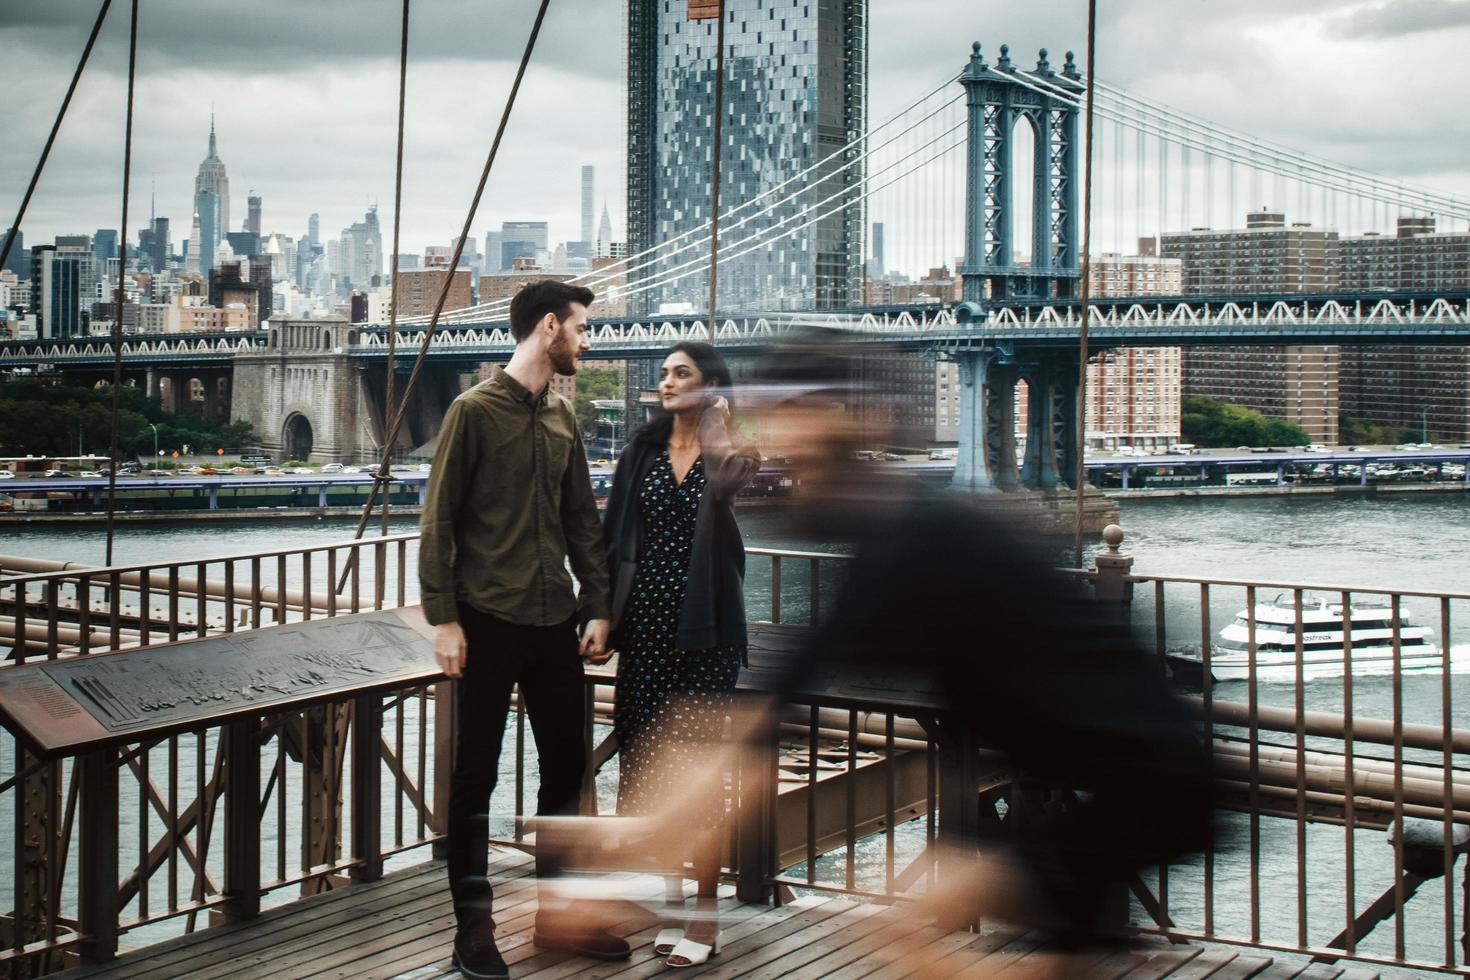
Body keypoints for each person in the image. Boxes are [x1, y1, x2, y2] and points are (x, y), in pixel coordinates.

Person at [747, 337, 1215, 961]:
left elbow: (773, 708)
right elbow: (780, 701)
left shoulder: (914, 539)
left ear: (853, 422)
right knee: (936, 934)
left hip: (1140, 788)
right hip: (1121, 780)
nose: (774, 448)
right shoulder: (895, 532)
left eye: (792, 417)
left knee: (923, 931)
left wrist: (631, 849)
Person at [418, 280, 629, 979]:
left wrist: (597, 604)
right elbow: (437, 522)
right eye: (582, 327)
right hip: (484, 619)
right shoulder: (471, 413)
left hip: (553, 621)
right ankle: (471, 933)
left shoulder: (563, 419)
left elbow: (581, 524)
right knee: (474, 776)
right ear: (548, 327)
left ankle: (558, 919)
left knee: (565, 773)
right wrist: (444, 619)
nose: (588, 339)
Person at [601, 342, 761, 968]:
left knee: (698, 782)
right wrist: (599, 616)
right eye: (663, 373)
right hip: (643, 633)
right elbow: (611, 533)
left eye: (681, 374)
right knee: (649, 776)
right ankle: (671, 907)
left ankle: (706, 916)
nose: (665, 382)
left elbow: (726, 483)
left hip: (706, 634)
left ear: (711, 384)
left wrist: (717, 420)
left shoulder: (734, 449)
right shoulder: (640, 450)